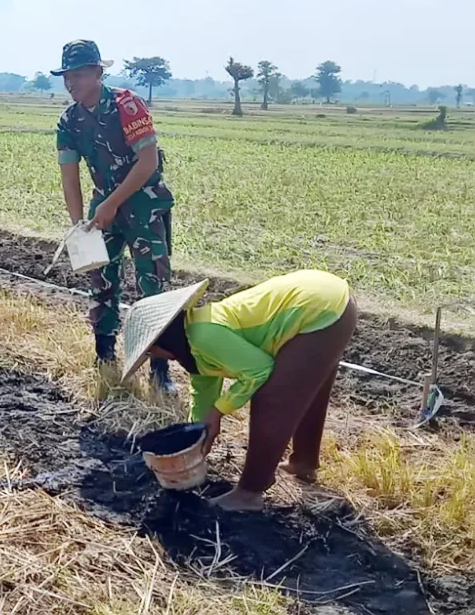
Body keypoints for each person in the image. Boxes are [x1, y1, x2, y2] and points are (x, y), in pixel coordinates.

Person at [121, 270, 358, 512]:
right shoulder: (193, 348)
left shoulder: (204, 334)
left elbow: (259, 371)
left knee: (271, 396)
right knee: (303, 387)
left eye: (152, 351)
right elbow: (203, 395)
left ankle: (249, 493)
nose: (156, 357)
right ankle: (304, 464)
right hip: (326, 302)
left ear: (164, 343)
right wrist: (197, 437)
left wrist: (219, 410)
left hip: (320, 309)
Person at [52, 39, 176, 392]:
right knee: (101, 279)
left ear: (98, 73)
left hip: (143, 202)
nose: (71, 82)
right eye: (66, 75)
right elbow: (69, 177)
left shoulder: (127, 105)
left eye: (78, 74)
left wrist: (112, 205)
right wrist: (80, 225)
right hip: (103, 204)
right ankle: (104, 357)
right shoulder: (69, 121)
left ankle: (160, 371)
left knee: (152, 286)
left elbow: (148, 162)